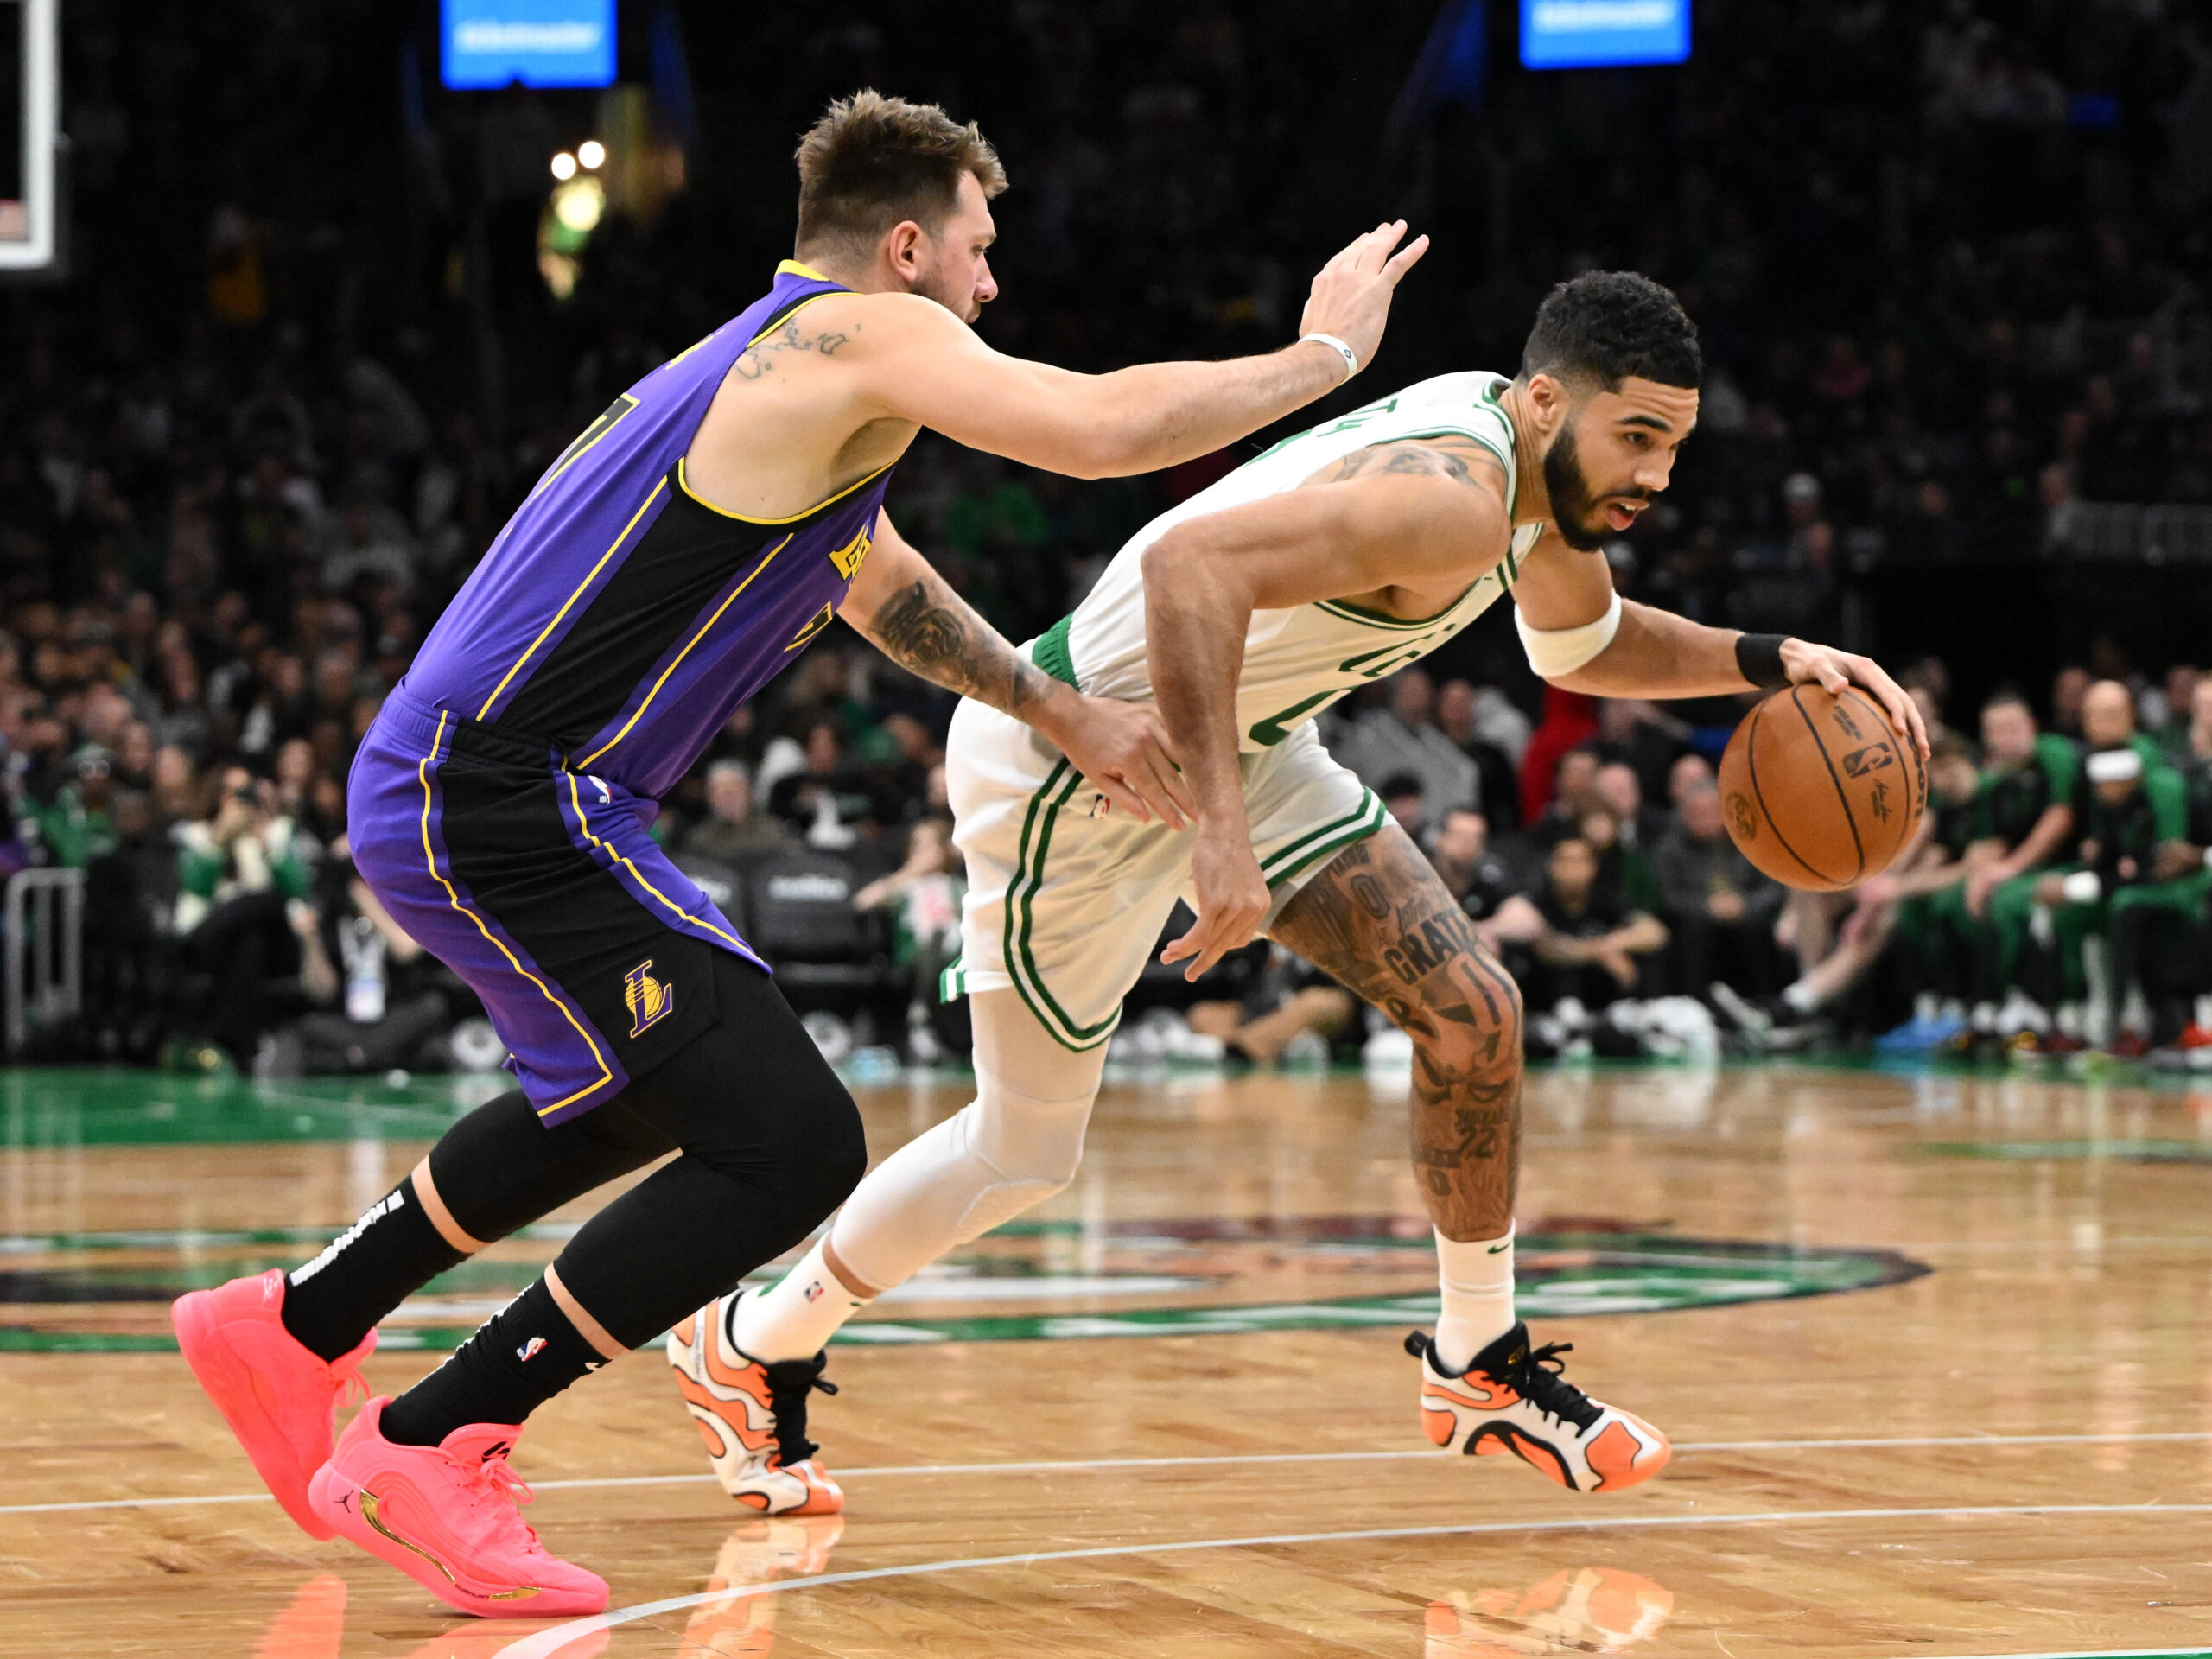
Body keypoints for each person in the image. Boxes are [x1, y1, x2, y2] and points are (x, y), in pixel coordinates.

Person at [168, 90, 1424, 1618]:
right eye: (978, 248)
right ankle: (432, 1443)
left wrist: (1059, 711)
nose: (991, 282)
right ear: (904, 248)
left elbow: (874, 580)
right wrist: (1324, 358)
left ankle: (294, 1326)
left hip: (499, 787)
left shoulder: (785, 381)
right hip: (500, 789)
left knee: (644, 1093)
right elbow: (1102, 433)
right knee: (793, 1144)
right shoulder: (851, 338)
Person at [677, 270, 1925, 1510]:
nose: (1656, 474)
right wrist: (1220, 834)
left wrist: (1773, 659)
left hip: (1244, 741)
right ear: (1547, 401)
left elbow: (1583, 643)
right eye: (1637, 436)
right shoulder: (1452, 499)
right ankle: (755, 1339)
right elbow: (1189, 571)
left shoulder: (1532, 486)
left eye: (1673, 446)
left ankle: (1476, 1362)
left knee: (1473, 1015)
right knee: (1022, 1152)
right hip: (1088, 761)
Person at [1649, 780, 1783, 1003]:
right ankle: (1695, 1003)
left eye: (1712, 812)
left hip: (1746, 913)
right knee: (1697, 929)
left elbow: (1774, 888)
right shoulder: (1669, 849)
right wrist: (1707, 907)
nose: (1707, 820)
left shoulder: (1751, 839)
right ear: (1684, 816)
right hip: (1697, 920)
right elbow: (1667, 897)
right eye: (1698, 814)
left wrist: (1745, 905)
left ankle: (1765, 1001)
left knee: (1756, 927)